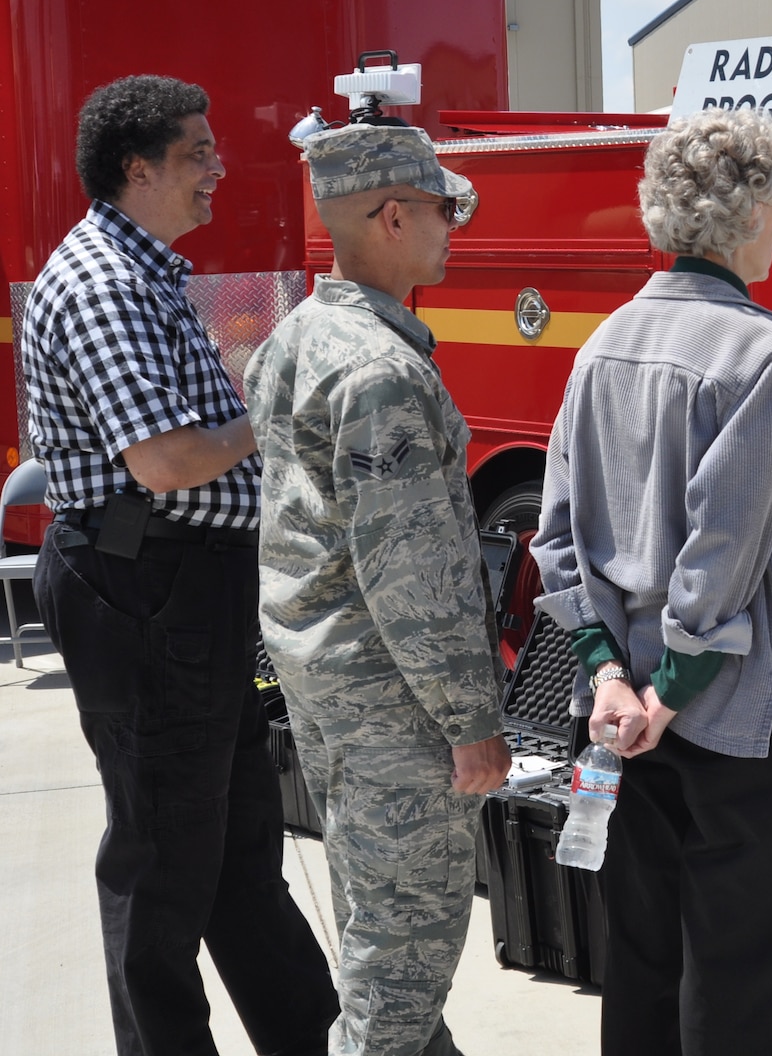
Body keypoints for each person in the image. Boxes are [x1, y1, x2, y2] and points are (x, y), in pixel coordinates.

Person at [532, 106, 772, 1056]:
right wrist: (669, 692)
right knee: (747, 981)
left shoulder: (600, 346)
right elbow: (723, 556)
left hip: (622, 718)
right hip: (746, 718)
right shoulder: (763, 353)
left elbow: (557, 537)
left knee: (642, 960)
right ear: (746, 213)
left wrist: (608, 675)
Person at [19, 75, 338, 1055]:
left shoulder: (142, 271)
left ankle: (312, 1036)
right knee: (162, 856)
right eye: (196, 152)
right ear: (137, 167)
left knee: (234, 846)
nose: (215, 169)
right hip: (149, 588)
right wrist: (281, 408)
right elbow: (163, 458)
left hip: (182, 586)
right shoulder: (108, 284)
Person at [247, 122, 511, 1056]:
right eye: (443, 211)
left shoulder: (298, 338)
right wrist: (470, 719)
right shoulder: (381, 368)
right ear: (393, 216)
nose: (452, 231)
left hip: (329, 687)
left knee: (378, 929)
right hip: (394, 706)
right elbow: (410, 570)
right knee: (403, 956)